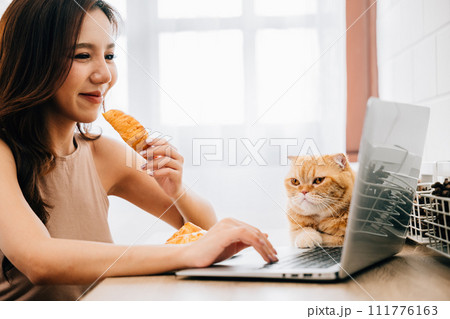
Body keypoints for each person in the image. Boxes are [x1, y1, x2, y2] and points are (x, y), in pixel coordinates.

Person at [0, 0, 278, 301]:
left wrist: (177, 190)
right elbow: (40, 260)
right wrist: (185, 254)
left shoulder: (101, 153)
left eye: (109, 55)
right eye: (83, 55)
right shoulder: (4, 153)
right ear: (31, 60)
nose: (104, 75)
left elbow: (206, 231)